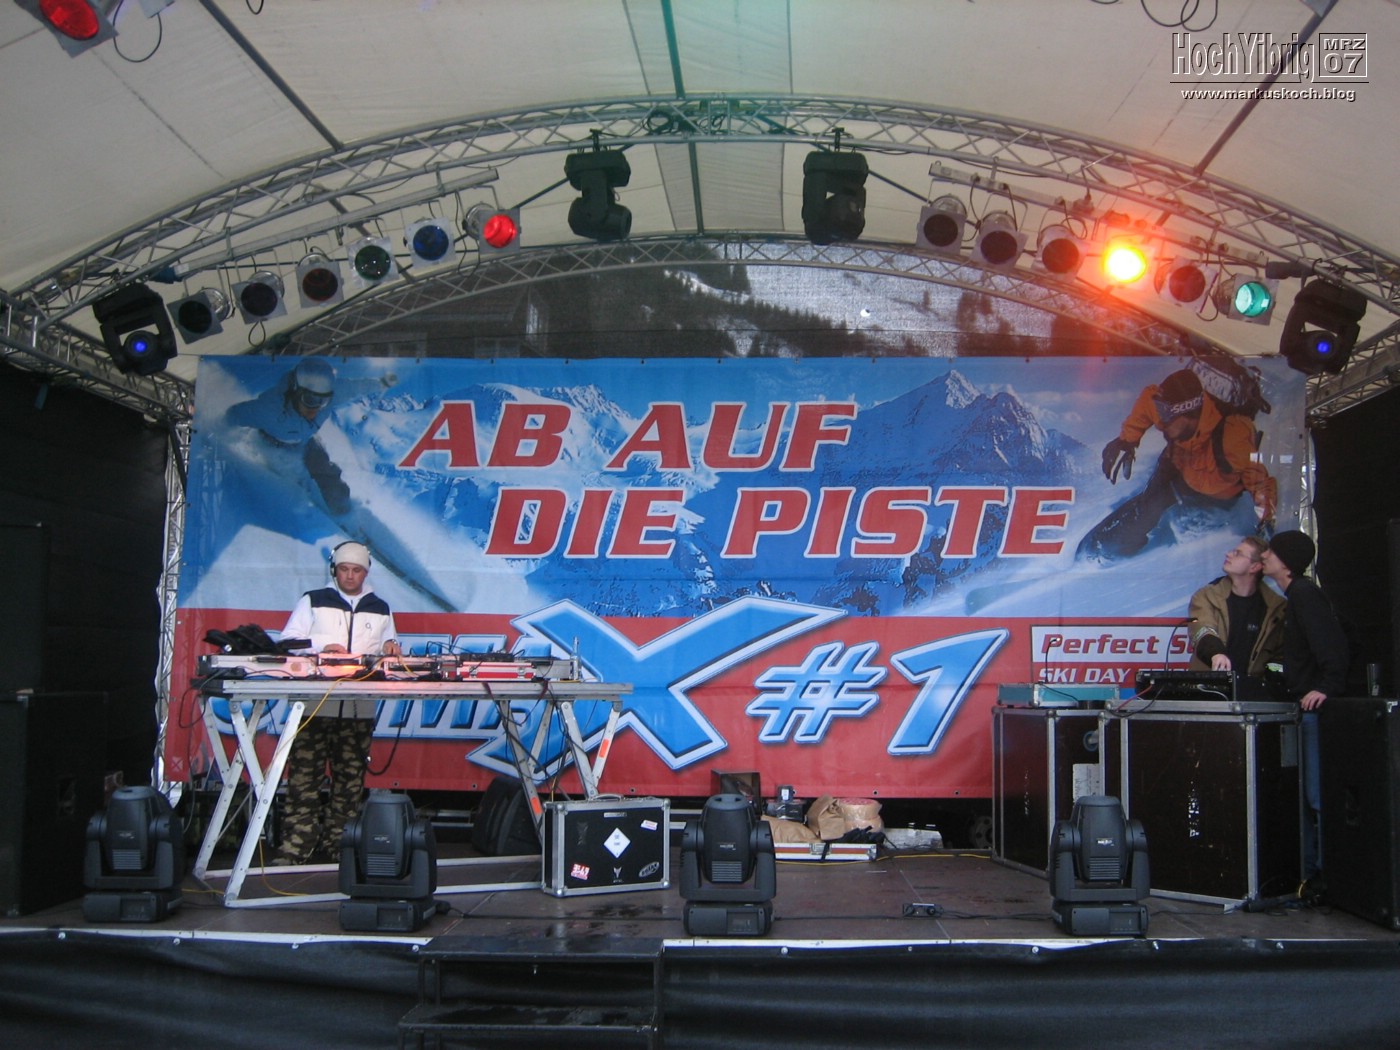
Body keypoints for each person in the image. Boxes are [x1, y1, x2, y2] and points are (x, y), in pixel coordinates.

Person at [273, 540, 402, 865]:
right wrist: (321, 646)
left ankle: (339, 848)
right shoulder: (314, 600)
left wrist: (390, 648)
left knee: (350, 783)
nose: (350, 575)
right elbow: (288, 642)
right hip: (314, 707)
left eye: (356, 570)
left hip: (359, 707)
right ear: (334, 570)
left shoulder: (380, 607)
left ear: (366, 572)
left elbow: (390, 646)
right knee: (304, 780)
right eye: (344, 569)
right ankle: (296, 848)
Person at [1078, 368, 1277, 560]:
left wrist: (1267, 518)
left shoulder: (1233, 437)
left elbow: (1259, 479)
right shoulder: (1169, 410)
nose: (1161, 420)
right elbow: (1148, 401)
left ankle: (1134, 544)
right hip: (1178, 464)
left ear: (1189, 414)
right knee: (1149, 505)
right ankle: (1112, 546)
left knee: (1183, 513)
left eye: (1165, 413)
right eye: (1160, 409)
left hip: (1216, 490)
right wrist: (1127, 441)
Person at [1260, 529, 1349, 882]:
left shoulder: (1304, 594)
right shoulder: (1296, 596)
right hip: (1302, 705)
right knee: (1305, 795)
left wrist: (1325, 687)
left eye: (1271, 552)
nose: (1264, 556)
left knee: (1315, 796)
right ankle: (1310, 875)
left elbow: (1333, 646)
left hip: (1314, 710)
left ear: (1286, 562)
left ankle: (1326, 877)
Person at [225, 358, 352, 515]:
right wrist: (212, 428)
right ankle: (304, 511)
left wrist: (380, 382)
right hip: (273, 443)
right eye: (310, 400)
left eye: (323, 401)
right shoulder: (269, 409)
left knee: (324, 470)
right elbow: (233, 415)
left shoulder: (329, 398)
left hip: (305, 442)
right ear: (296, 392)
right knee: (291, 477)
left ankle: (342, 510)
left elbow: (355, 387)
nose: (316, 408)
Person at [1188, 535, 1285, 676]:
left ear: (1254, 567)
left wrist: (1270, 677)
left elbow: (1281, 653)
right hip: (1210, 684)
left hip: (1252, 687)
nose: (1228, 554)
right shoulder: (1206, 596)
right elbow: (1202, 629)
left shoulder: (1276, 607)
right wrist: (1216, 654)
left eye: (1237, 553)